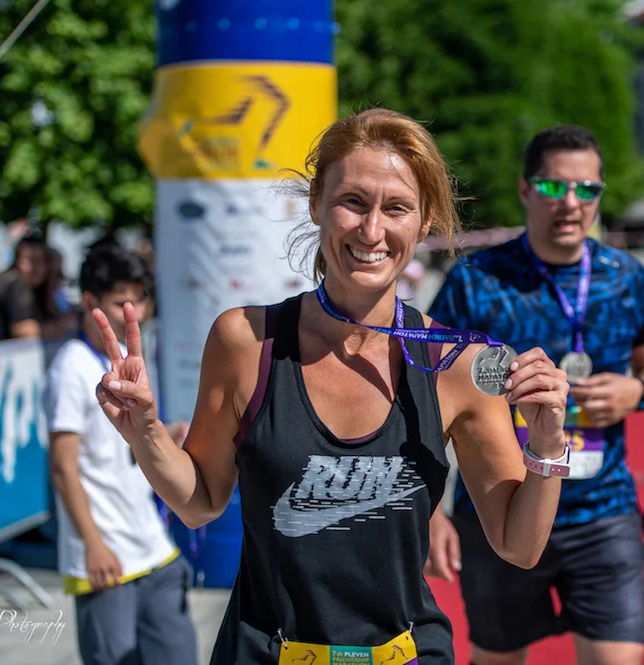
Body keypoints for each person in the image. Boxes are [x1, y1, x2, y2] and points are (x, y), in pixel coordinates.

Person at [89, 108, 571, 665]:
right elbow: (200, 503)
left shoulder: (456, 364)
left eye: (397, 208)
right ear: (316, 203)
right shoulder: (247, 341)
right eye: (353, 202)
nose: (372, 231)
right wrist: (145, 432)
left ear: (425, 222)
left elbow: (518, 544)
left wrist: (547, 446)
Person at [424, 125, 644, 665]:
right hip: (499, 505)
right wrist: (428, 514)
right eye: (553, 186)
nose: (570, 202)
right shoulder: (477, 280)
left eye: (587, 189)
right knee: (498, 659)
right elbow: (425, 396)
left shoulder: (625, 277)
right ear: (525, 189)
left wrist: (639, 391)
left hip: (602, 510)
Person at [44, 244, 196, 665]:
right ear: (89, 302)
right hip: (106, 561)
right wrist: (92, 545)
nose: (135, 312)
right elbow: (63, 467)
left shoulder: (132, 358)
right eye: (120, 303)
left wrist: (166, 433)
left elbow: (124, 444)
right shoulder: (71, 367)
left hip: (154, 546)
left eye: (140, 299)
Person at [0, 232, 48, 342]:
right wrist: (59, 326)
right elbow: (22, 330)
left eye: (42, 261)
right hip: (1, 349)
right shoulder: (14, 282)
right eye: (32, 261)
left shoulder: (19, 281)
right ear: (18, 261)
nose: (38, 268)